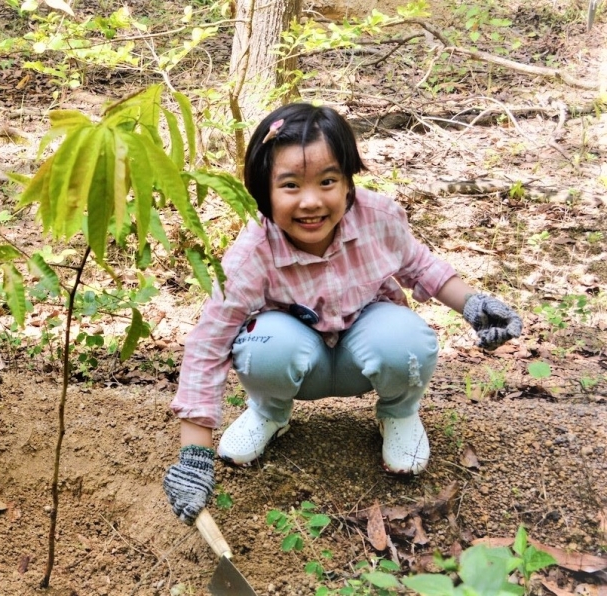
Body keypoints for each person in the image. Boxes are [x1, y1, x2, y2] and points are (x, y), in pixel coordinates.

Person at [161, 103, 523, 525]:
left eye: (328, 181)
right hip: (295, 355)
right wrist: (194, 456)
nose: (311, 201)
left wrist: (473, 305)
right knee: (263, 345)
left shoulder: (378, 218)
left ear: (349, 183)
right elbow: (209, 344)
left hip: (363, 346)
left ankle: (399, 413)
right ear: (263, 191)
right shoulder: (253, 253)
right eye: (290, 185)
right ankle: (269, 412)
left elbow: (421, 266)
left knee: (405, 340)